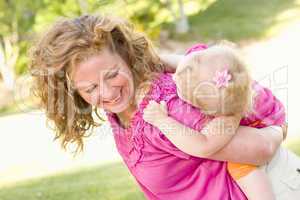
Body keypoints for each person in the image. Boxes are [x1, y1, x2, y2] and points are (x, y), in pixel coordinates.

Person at [29, 15, 287, 199]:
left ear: (127, 57)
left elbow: (259, 147)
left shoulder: (165, 105)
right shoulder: (121, 106)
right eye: (90, 88)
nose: (106, 92)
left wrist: (277, 129)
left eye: (112, 75)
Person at [143, 43, 286, 199]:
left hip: (268, 124)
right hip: (270, 106)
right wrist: (152, 62)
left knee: (241, 166)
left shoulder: (227, 115)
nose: (175, 78)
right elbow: (179, 64)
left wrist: (161, 120)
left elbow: (202, 145)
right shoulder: (205, 63)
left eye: (179, 88)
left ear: (208, 110)